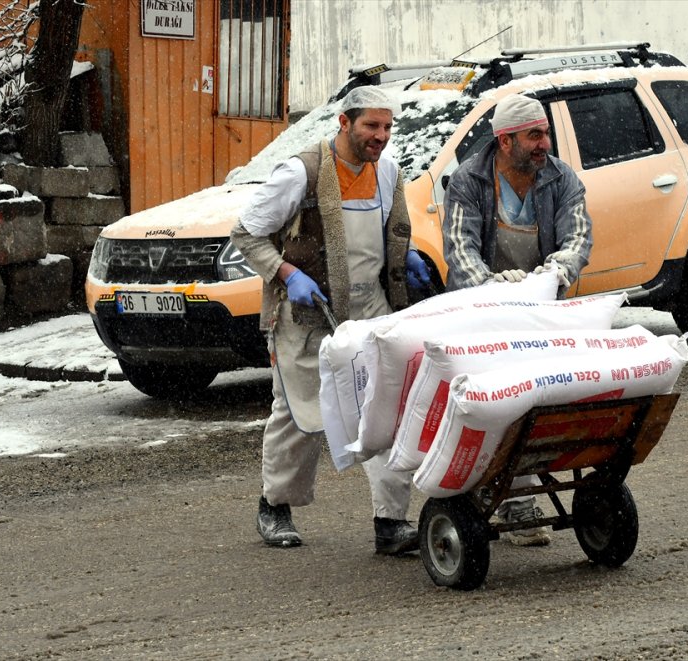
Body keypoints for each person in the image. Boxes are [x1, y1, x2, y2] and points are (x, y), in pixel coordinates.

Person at [230, 86, 432, 554]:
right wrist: (288, 272)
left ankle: (391, 522)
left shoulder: (387, 175)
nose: (380, 136)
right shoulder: (302, 172)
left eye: (386, 127)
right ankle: (275, 504)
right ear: (344, 123)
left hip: (372, 311)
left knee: (386, 409)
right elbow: (247, 233)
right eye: (370, 126)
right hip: (308, 314)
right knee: (301, 414)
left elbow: (387, 234)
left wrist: (410, 253)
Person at [442, 93, 593, 546]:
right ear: (505, 141)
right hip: (482, 312)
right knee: (496, 404)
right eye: (534, 135)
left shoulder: (561, 178)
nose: (545, 142)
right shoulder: (468, 180)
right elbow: (459, 248)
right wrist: (493, 290)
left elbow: (579, 236)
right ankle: (491, 496)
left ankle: (521, 498)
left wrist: (555, 274)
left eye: (545, 132)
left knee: (535, 404)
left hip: (542, 308)